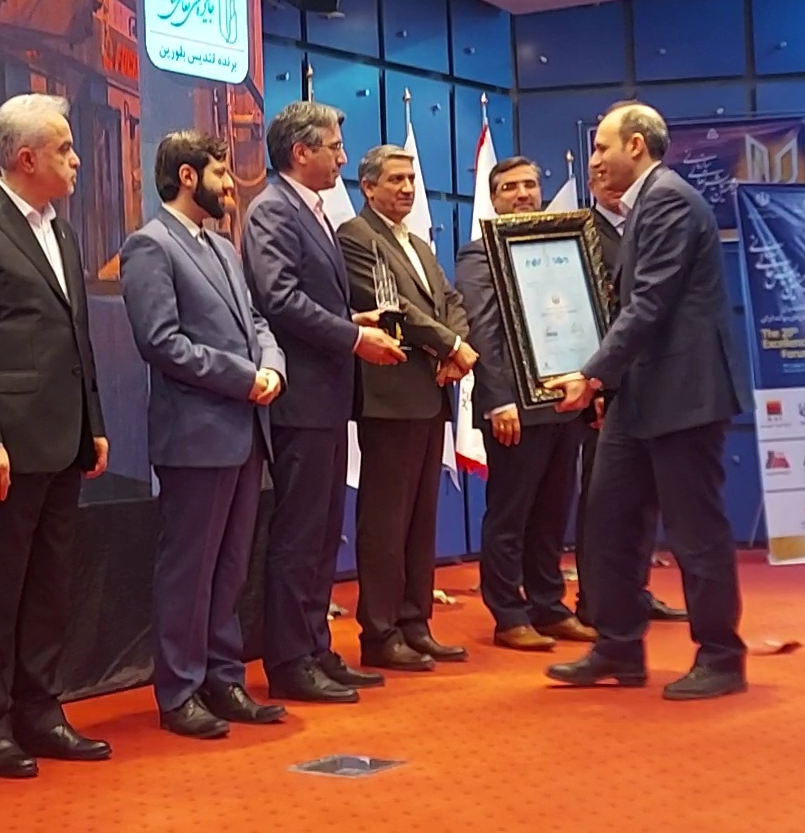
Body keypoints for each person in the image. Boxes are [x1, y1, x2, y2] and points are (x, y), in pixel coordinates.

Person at [0, 93, 112, 777]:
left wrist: (95, 423)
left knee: (50, 586)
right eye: (65, 149)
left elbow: (75, 337)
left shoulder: (61, 231)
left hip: (64, 440)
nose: (76, 160)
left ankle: (41, 712)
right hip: (4, 446)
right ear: (27, 158)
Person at [547, 102, 748, 702]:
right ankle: (618, 647)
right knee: (608, 521)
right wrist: (608, 383)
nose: (594, 161)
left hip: (685, 396)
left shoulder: (668, 201)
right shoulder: (645, 204)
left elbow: (649, 304)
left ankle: (721, 656)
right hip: (639, 396)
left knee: (695, 533)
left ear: (635, 146)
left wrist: (590, 377)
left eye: (601, 147)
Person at [119, 131, 289, 739]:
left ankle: (224, 678)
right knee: (189, 571)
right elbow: (161, 342)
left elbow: (257, 321)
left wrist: (273, 368)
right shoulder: (150, 245)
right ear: (188, 177)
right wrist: (245, 378)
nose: (231, 183)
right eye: (220, 171)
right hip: (196, 436)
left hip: (245, 430)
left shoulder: (220, 245)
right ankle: (180, 691)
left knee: (231, 567)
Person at [242, 101, 405, 705]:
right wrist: (353, 338)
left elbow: (308, 299)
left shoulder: (310, 209)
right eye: (334, 146)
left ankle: (315, 647)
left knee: (321, 533)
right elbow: (279, 298)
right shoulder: (273, 210)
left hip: (327, 400)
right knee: (299, 535)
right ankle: (289, 660)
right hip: (301, 402)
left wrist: (352, 319)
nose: (342, 157)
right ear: (301, 152)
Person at [453, 156, 599, 654]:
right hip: (514, 408)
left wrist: (592, 386)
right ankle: (508, 614)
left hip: (563, 401)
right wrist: (498, 400)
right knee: (510, 515)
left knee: (552, 513)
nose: (523, 194)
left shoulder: (563, 248)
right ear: (494, 198)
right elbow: (481, 330)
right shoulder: (479, 254)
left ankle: (549, 606)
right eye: (510, 187)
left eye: (530, 185)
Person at [337, 145, 475, 670]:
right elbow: (397, 309)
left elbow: (450, 301)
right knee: (385, 523)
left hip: (431, 393)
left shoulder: (416, 241)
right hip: (390, 398)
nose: (407, 188)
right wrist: (451, 346)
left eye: (411, 179)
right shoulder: (356, 236)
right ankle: (380, 632)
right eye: (395, 179)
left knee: (420, 521)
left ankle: (416, 623)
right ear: (369, 187)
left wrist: (455, 348)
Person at [580, 178, 690, 628]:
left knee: (641, 504)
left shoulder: (650, 216)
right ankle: (600, 607)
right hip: (598, 380)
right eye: (599, 167)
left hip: (643, 382)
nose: (608, 177)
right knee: (605, 506)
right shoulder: (580, 231)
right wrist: (596, 380)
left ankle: (633, 596)